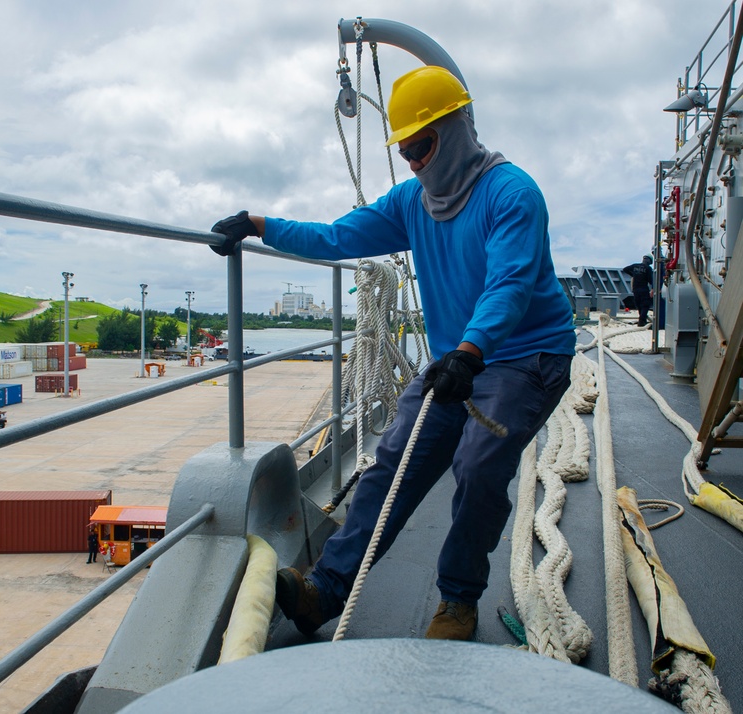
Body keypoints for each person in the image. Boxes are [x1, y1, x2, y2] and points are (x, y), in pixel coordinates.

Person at [210, 66, 576, 640]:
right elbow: (338, 236)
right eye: (405, 151)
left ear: (455, 130)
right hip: (461, 360)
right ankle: (324, 591)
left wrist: (470, 351)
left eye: (422, 146)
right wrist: (260, 225)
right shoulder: (413, 201)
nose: (413, 161)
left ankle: (458, 602)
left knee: (478, 464)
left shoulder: (513, 194)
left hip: (526, 357)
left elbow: (510, 285)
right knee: (393, 460)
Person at [622, 254, 654, 326]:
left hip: (635, 289)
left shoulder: (635, 266)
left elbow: (625, 269)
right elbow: (651, 280)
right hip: (644, 289)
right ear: (649, 261)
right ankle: (642, 322)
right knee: (645, 306)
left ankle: (642, 319)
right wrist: (653, 288)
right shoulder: (648, 268)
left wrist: (633, 274)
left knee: (639, 305)